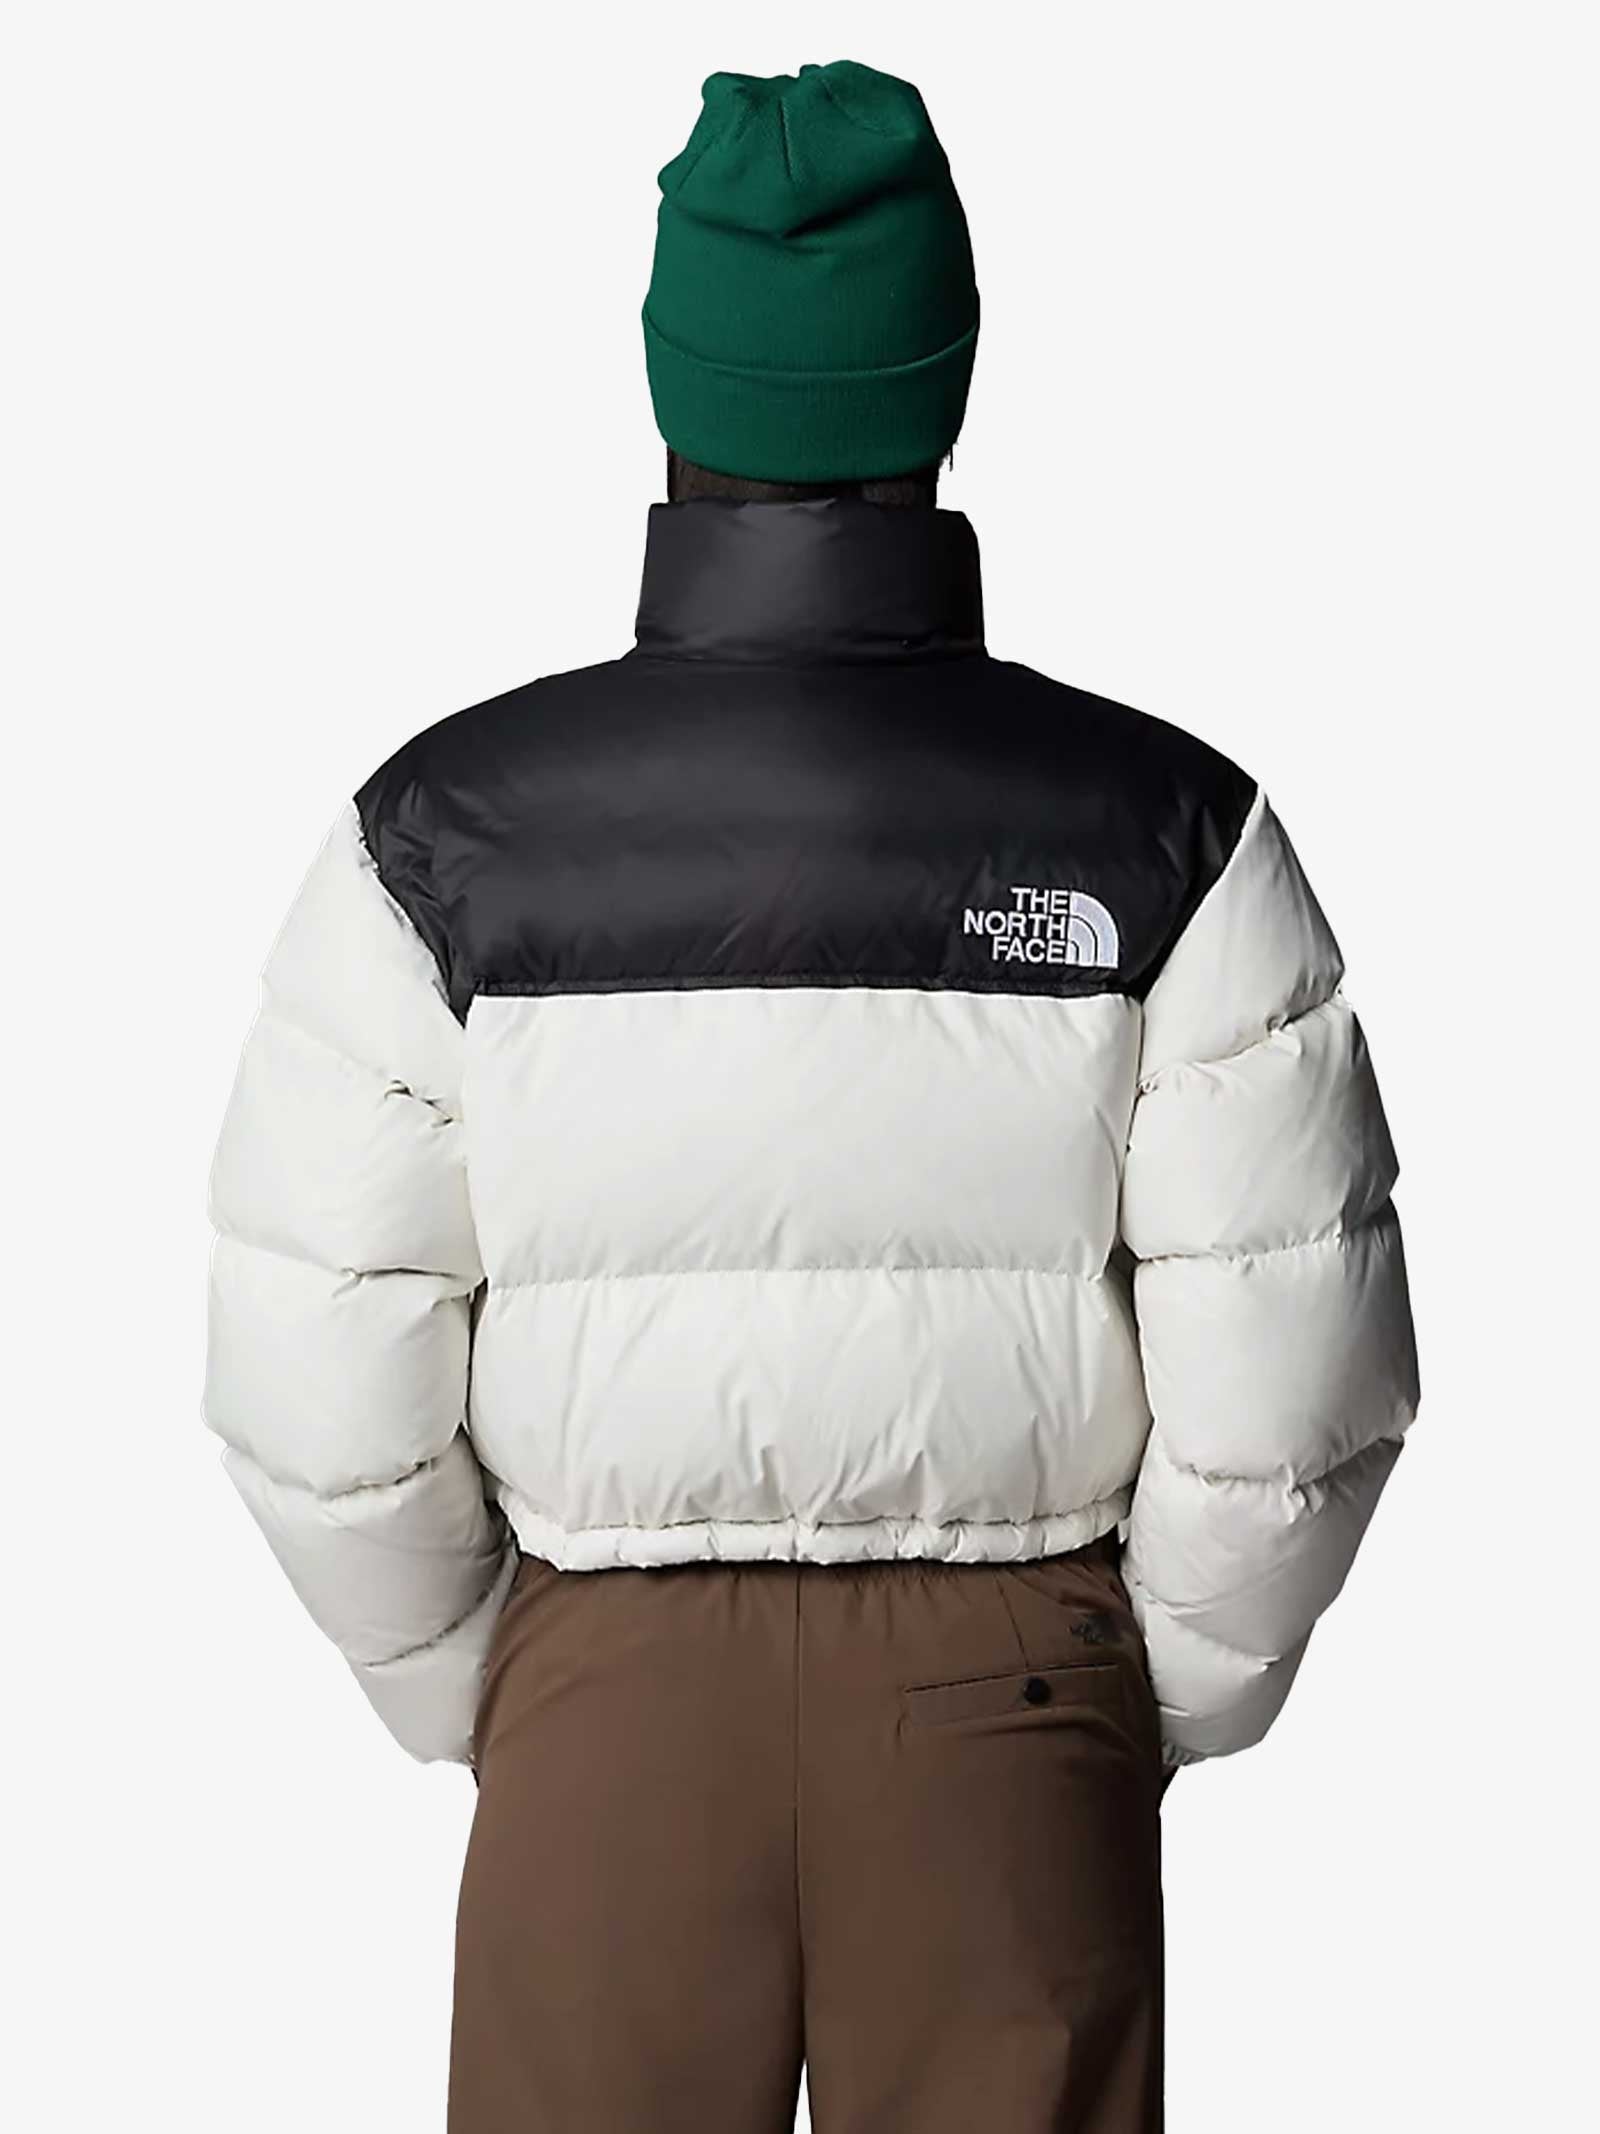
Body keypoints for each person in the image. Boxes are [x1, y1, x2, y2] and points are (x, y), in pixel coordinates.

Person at [205, 60, 1419, 2134]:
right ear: (946, 373)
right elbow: (1294, 1378)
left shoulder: (436, 839)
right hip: (1012, 1700)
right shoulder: (1169, 831)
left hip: (600, 1700)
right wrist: (1133, 1697)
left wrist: (507, 1685)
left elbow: (315, 1375)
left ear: (666, 380)